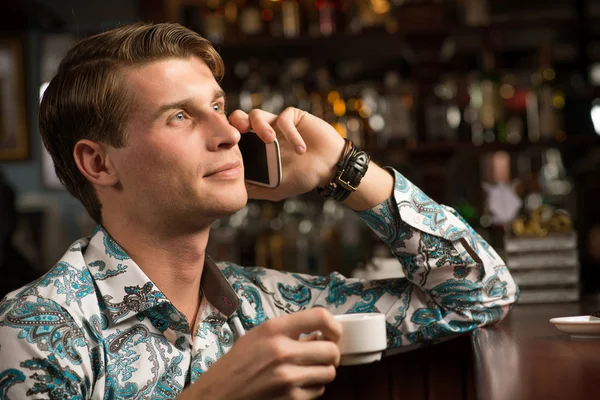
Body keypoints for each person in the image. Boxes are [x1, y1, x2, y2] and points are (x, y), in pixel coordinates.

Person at [0, 22, 518, 399]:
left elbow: (478, 295)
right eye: (180, 116)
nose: (228, 134)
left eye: (219, 107)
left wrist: (344, 169)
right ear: (98, 162)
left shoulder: (265, 305)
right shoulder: (34, 330)